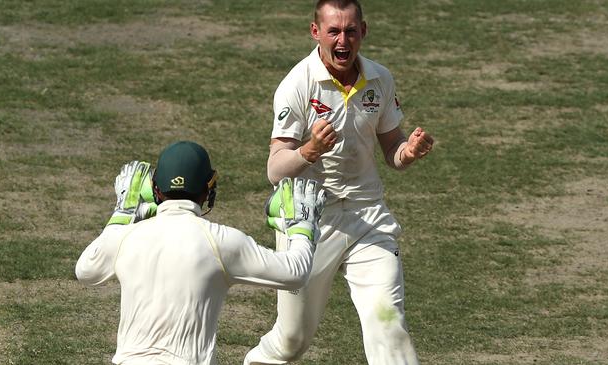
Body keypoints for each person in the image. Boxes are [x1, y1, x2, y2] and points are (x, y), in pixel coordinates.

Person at [244, 1, 434, 364]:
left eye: (350, 30)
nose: (342, 40)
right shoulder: (296, 85)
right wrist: (310, 150)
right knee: (291, 340)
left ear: (363, 31)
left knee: (388, 324)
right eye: (333, 31)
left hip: (368, 218)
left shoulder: (379, 78)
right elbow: (275, 170)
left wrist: (406, 152)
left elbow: (392, 146)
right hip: (310, 223)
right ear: (316, 32)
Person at [75, 140, 326, 365]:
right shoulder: (222, 242)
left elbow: (85, 270)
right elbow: (295, 272)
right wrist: (302, 228)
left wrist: (123, 214)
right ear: (208, 190)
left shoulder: (125, 237)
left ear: (154, 189)